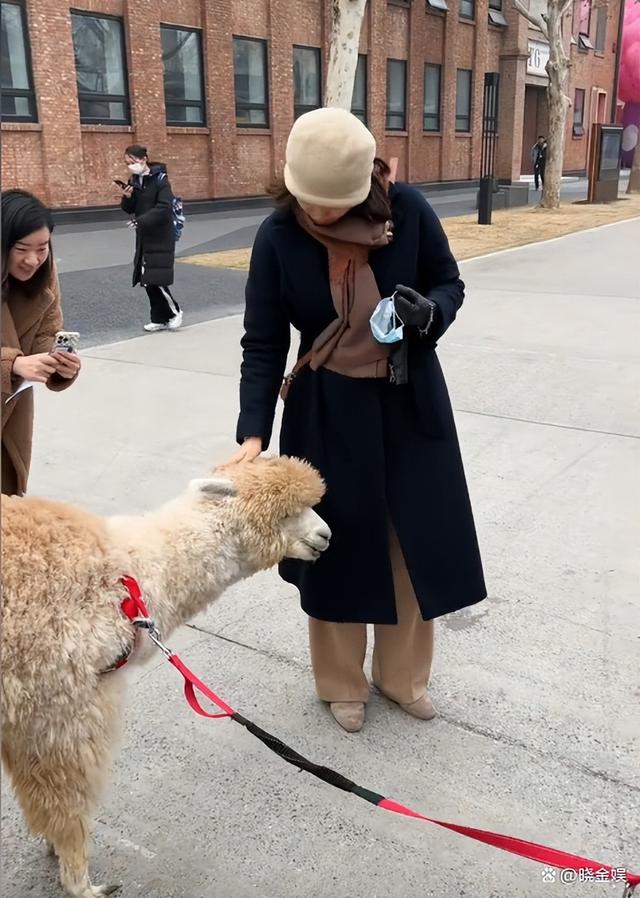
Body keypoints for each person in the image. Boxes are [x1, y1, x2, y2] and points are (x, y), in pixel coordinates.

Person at [224, 108, 486, 733]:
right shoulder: (277, 236)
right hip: (327, 411)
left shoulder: (411, 211)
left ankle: (403, 678)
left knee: (410, 541)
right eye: (310, 201)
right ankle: (341, 682)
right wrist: (252, 434)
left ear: (366, 183)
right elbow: (262, 341)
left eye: (334, 203)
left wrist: (430, 314)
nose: (320, 215)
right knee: (334, 545)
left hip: (410, 398)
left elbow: (450, 283)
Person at [1, 189, 81, 496]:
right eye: (21, 248)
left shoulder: (44, 274)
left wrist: (60, 363)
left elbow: (48, 332)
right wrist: (13, 364)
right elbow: (18, 362)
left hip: (10, 413)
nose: (32, 260)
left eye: (43, 248)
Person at [119, 144, 182, 333]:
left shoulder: (161, 180)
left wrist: (141, 221)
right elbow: (131, 208)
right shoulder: (135, 180)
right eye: (127, 163)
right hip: (145, 235)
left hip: (161, 235)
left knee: (157, 278)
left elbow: (164, 208)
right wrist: (127, 197)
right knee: (146, 279)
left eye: (133, 161)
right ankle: (159, 318)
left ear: (143, 159)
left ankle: (175, 312)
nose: (130, 165)